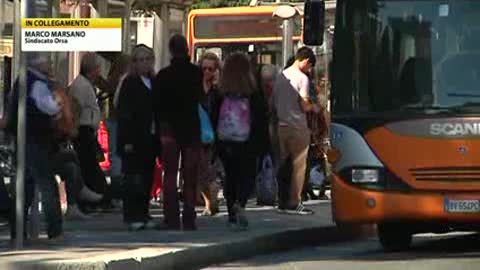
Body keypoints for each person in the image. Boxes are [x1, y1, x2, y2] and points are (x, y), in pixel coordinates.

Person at [7, 53, 64, 240]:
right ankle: (54, 230)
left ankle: (18, 231)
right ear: (39, 64)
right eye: (47, 61)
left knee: (24, 187)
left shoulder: (23, 80)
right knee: (46, 185)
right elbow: (50, 107)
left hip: (24, 139)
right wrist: (59, 101)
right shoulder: (37, 83)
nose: (50, 64)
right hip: (36, 140)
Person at [214, 52, 269, 230]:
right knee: (247, 175)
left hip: (225, 141)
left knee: (230, 176)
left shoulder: (220, 93)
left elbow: (213, 116)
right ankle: (241, 203)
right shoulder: (253, 94)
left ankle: (231, 213)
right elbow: (262, 120)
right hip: (248, 142)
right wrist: (265, 145)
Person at [153, 34, 202, 230]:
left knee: (170, 174)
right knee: (190, 174)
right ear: (187, 50)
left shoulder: (163, 75)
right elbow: (199, 97)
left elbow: (156, 105)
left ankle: (171, 217)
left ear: (171, 51)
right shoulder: (195, 73)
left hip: (169, 130)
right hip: (191, 127)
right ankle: (189, 216)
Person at [117, 44, 159, 231]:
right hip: (133, 138)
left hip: (149, 137)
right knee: (133, 177)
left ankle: (144, 212)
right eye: (140, 60)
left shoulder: (153, 81)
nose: (144, 63)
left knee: (147, 176)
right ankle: (132, 215)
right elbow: (124, 113)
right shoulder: (129, 82)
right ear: (134, 63)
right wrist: (126, 141)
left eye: (147, 59)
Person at [272, 47, 318, 215]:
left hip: (281, 126)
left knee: (283, 165)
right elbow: (304, 106)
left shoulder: (280, 76)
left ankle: (281, 200)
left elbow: (274, 102)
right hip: (297, 126)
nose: (310, 69)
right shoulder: (302, 78)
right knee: (298, 166)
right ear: (305, 61)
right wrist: (315, 107)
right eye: (310, 65)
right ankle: (294, 202)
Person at [68, 53, 112, 211]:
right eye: (97, 69)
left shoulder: (85, 84)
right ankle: (97, 199)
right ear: (91, 69)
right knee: (89, 165)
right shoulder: (81, 85)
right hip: (82, 129)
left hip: (86, 128)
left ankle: (97, 198)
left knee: (90, 164)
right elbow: (77, 108)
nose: (99, 72)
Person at [198, 52, 222, 216]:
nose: (207, 72)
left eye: (210, 69)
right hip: (196, 134)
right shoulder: (194, 89)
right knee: (200, 172)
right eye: (204, 68)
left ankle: (210, 202)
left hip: (213, 135)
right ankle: (209, 201)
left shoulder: (218, 92)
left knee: (209, 170)